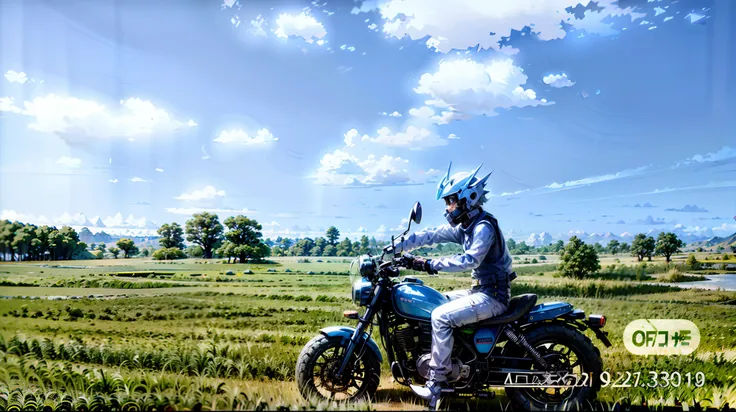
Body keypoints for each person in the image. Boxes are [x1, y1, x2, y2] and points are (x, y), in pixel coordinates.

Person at [387, 162, 516, 410]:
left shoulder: (482, 227)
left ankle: (436, 383)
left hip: (493, 296)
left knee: (441, 317)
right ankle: (453, 359)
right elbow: (431, 235)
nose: (448, 207)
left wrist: (427, 264)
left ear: (468, 198)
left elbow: (470, 260)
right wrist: (396, 247)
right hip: (482, 291)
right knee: (437, 301)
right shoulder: (467, 227)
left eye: (451, 201)